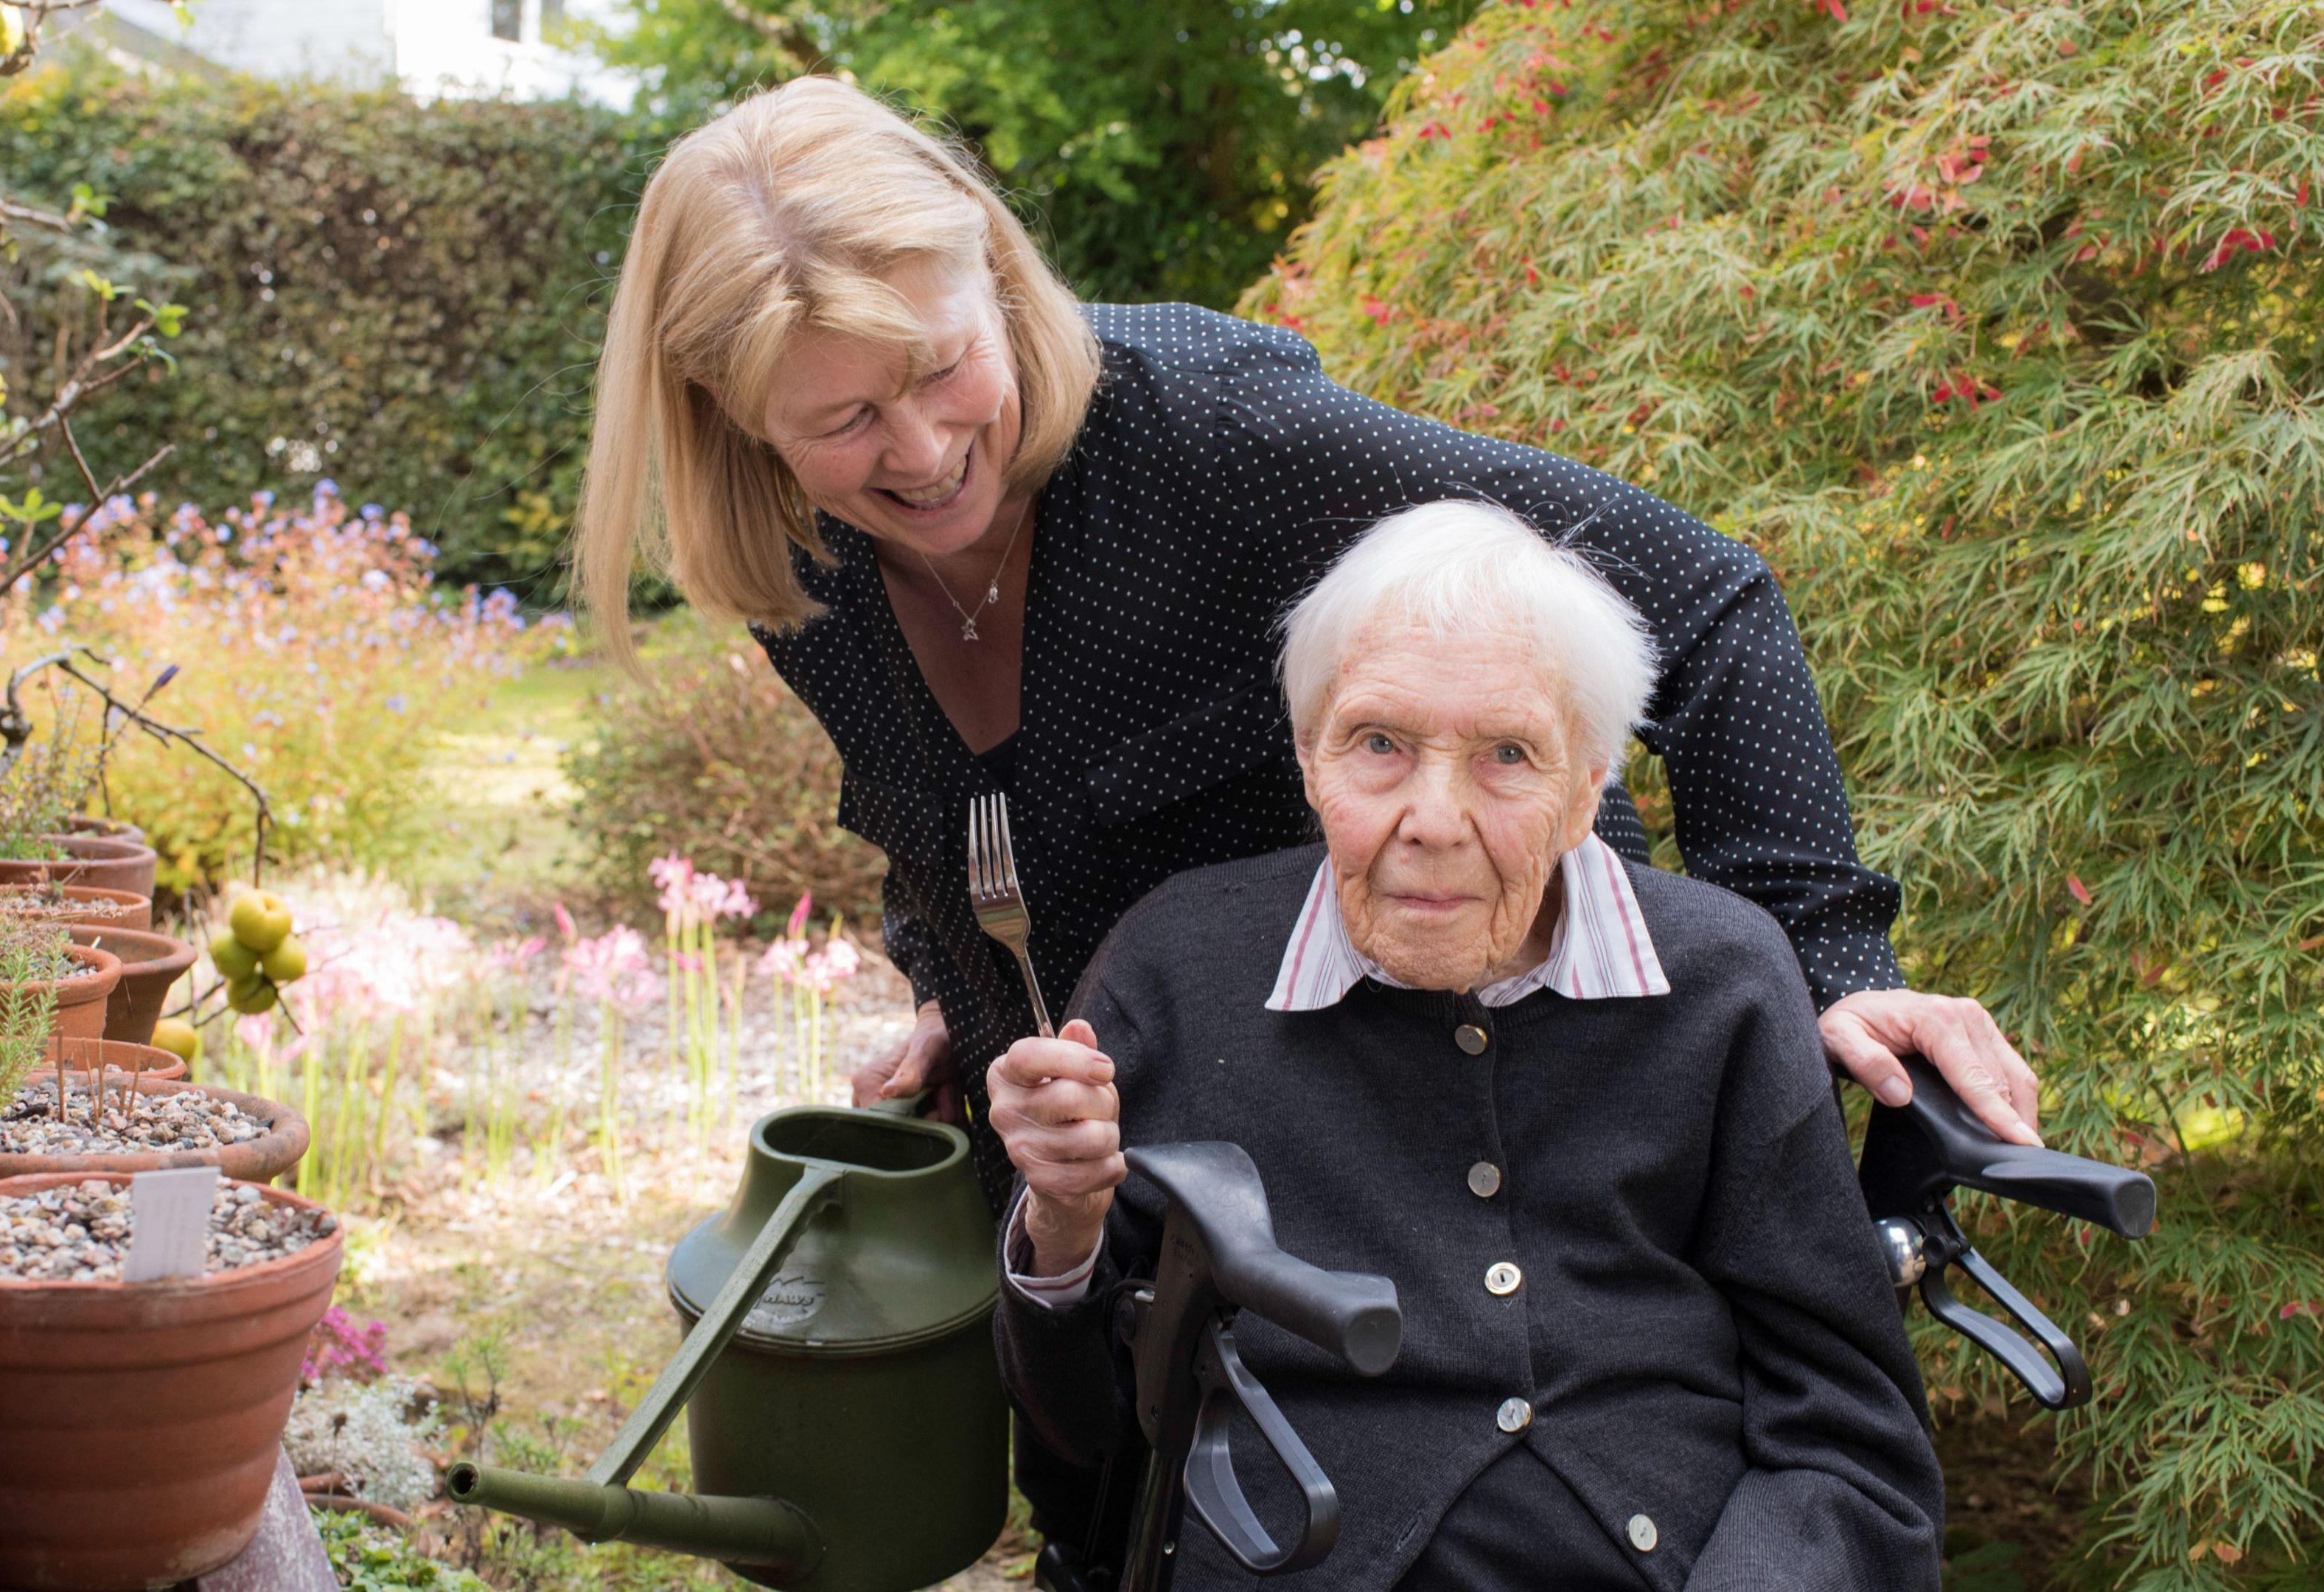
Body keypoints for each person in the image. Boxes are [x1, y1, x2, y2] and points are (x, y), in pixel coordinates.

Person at [575, 77, 2042, 1207]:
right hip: (1115, 1172)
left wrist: (1828, 963)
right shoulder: (805, 568)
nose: (929, 447)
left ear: (999, 285)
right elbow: (953, 817)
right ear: (739, 424)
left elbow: (1705, 598)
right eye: (843, 421)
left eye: (949, 361)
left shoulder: (1219, 439)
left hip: (1453, 1116)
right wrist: (952, 984)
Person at [987, 501, 1944, 1589]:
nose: (1433, 818)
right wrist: (1063, 1224)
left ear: (1587, 789)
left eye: (1505, 754)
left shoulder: (1721, 976)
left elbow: (1848, 1438)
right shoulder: (1179, 962)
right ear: (1310, 761)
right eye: (1380, 745)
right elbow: (1082, 1438)